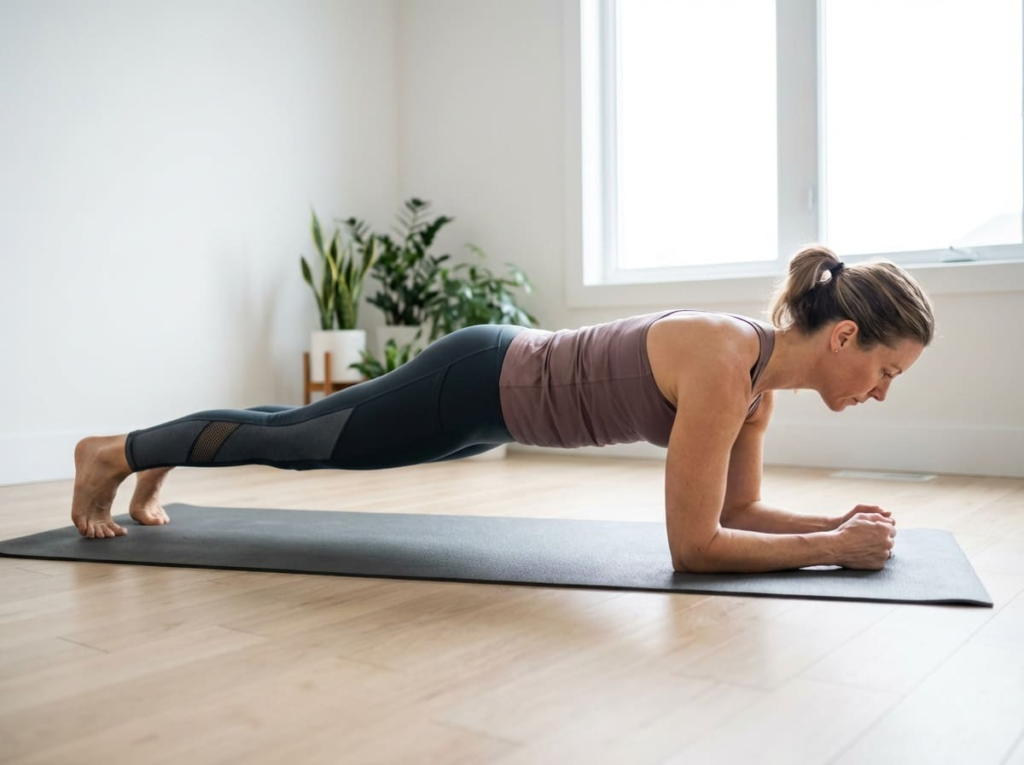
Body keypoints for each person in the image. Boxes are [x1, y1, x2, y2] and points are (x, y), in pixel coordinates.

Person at [71, 244, 934, 574]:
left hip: (489, 406)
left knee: (301, 431)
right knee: (308, 443)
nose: (882, 391)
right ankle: (111, 452)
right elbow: (693, 546)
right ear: (844, 335)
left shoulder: (752, 393)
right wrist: (830, 548)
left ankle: (158, 451)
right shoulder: (722, 359)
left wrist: (835, 521)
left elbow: (736, 512)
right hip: (478, 381)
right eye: (886, 369)